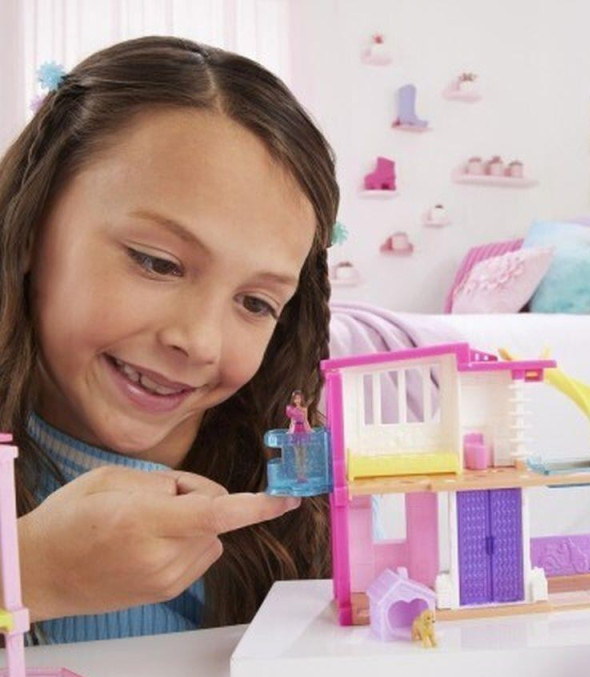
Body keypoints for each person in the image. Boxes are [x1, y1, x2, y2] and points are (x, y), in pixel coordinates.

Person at [0, 35, 338, 643]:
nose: (200, 342)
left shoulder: (310, 508)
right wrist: (28, 571)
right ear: (30, 231)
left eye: (255, 303)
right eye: (157, 263)